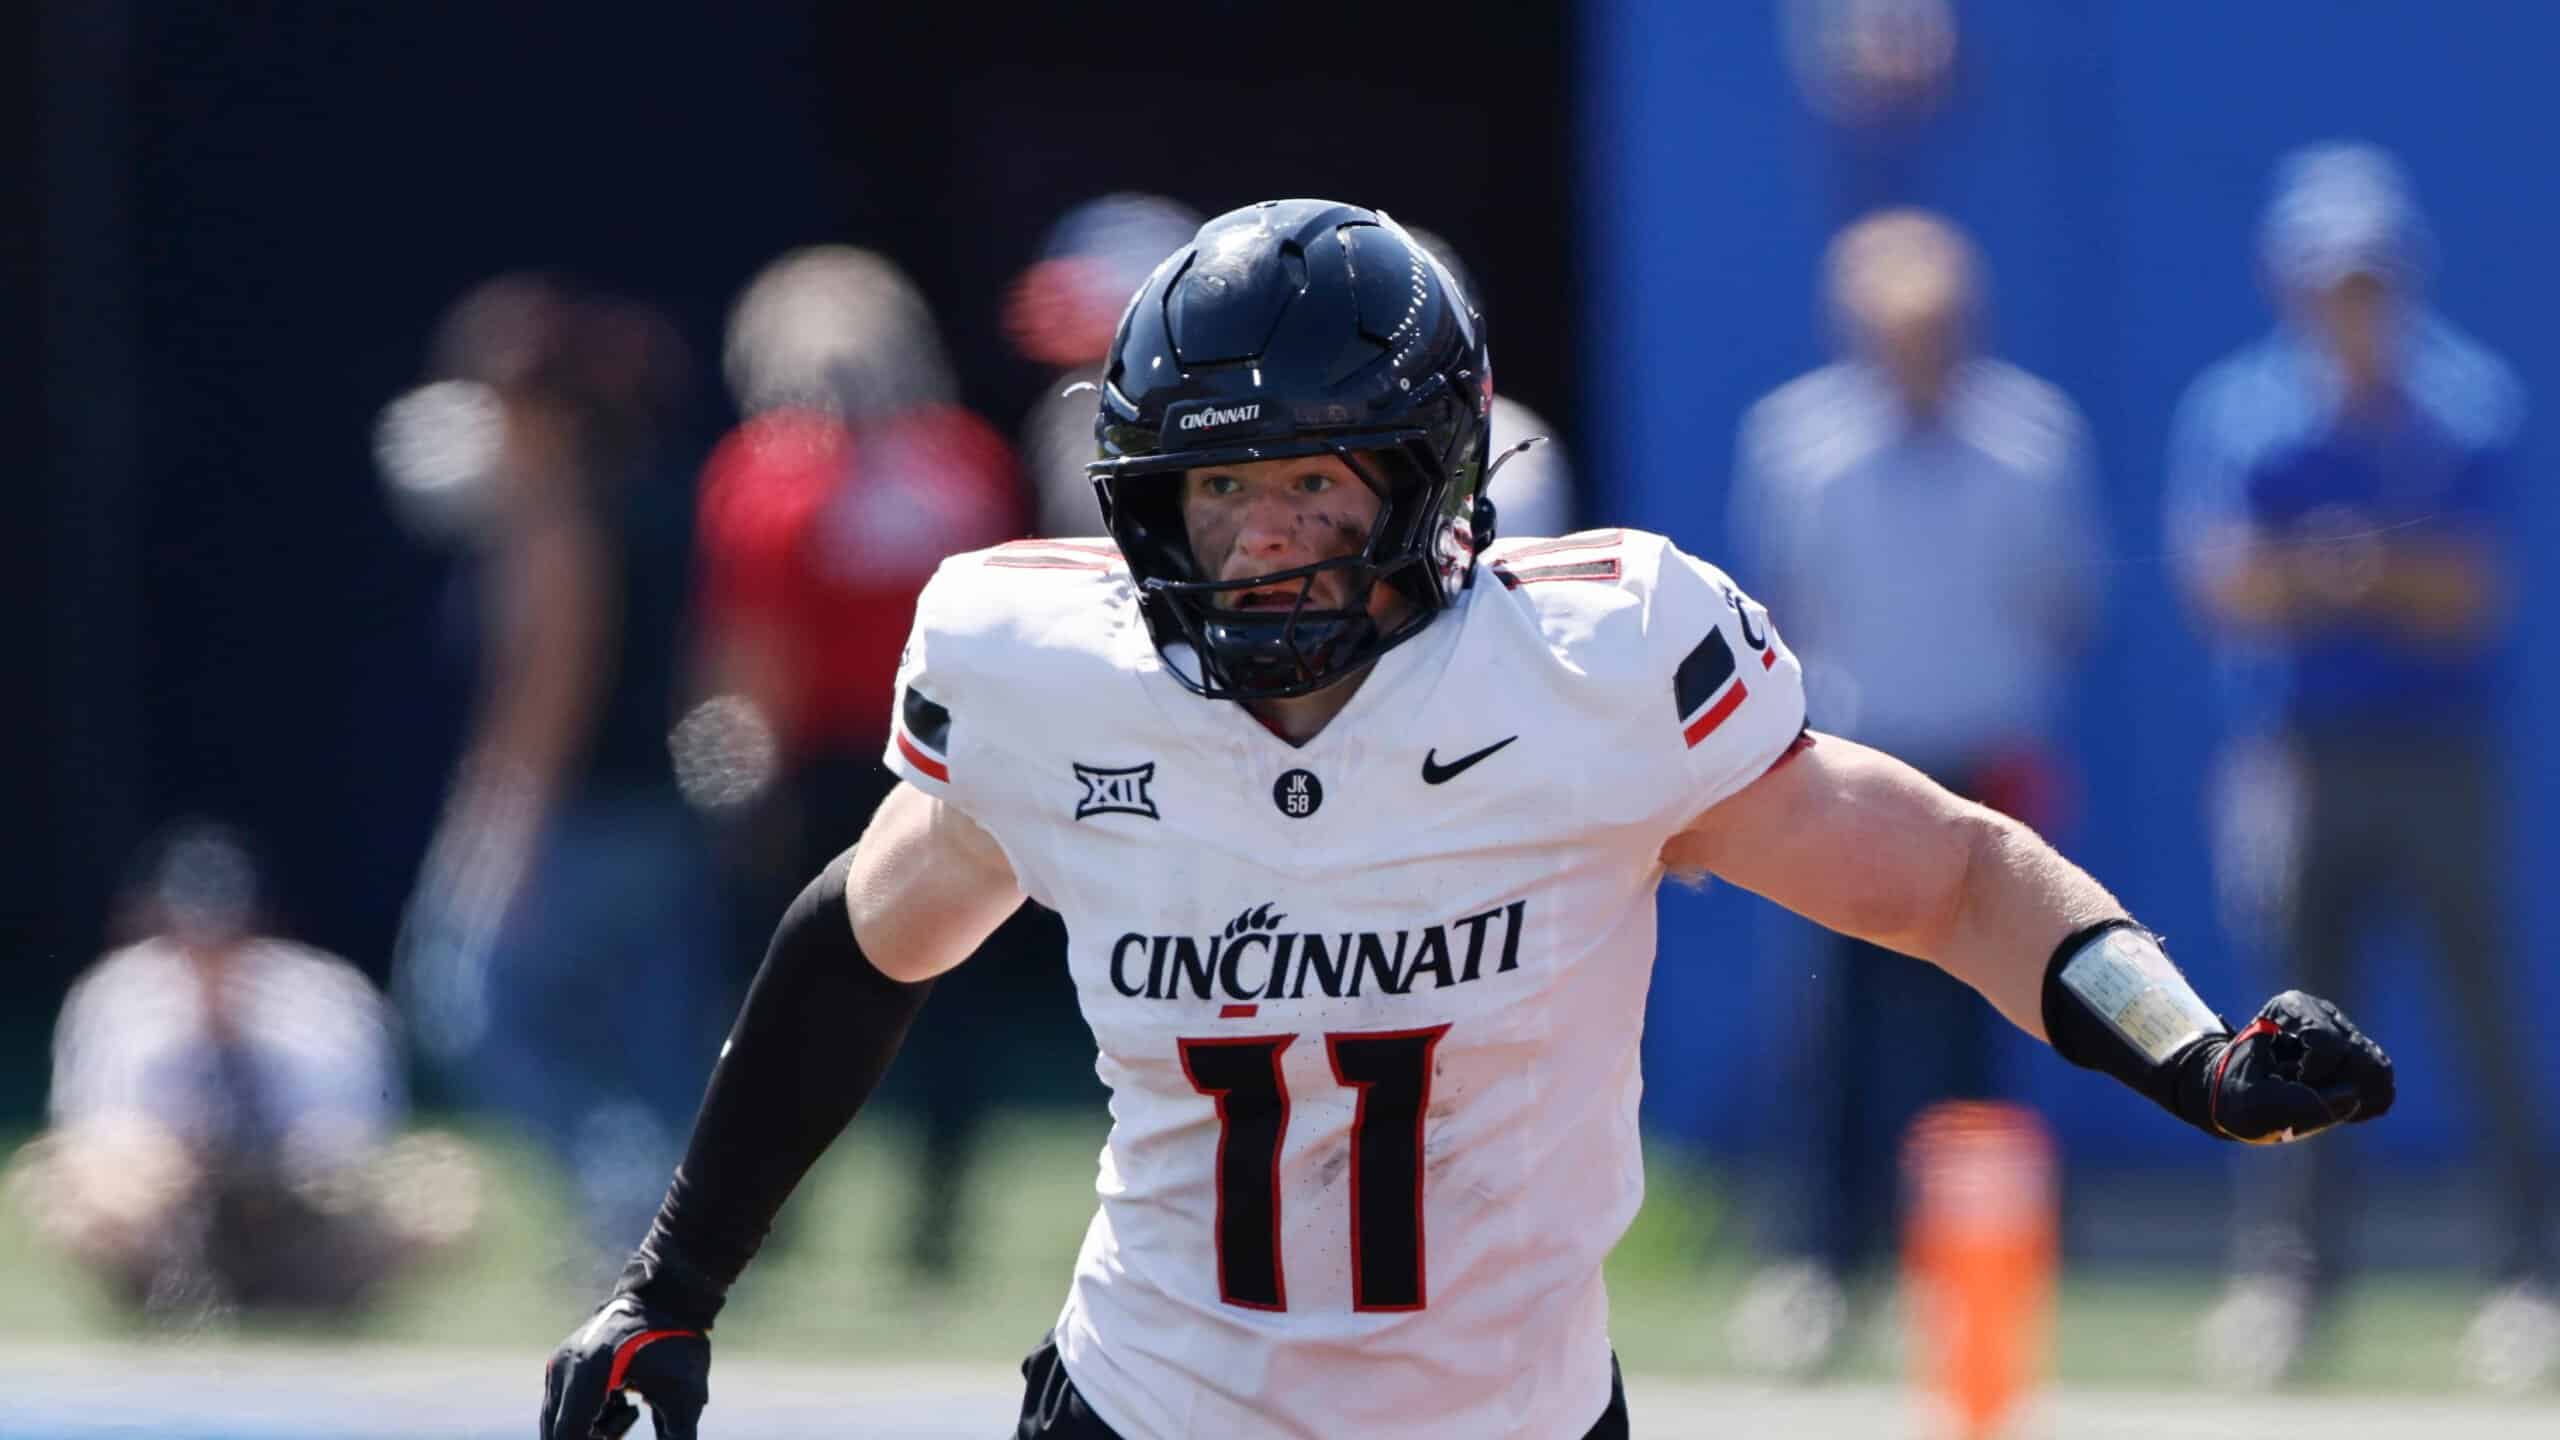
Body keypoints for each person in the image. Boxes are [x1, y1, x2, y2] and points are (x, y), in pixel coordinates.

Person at [540, 200, 2394, 1440]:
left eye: (1312, 482)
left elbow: (1949, 875)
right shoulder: (1047, 675)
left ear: (1424, 482)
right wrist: (670, 1280)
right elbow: (862, 944)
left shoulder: (1596, 674)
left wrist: (2193, 1056)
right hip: (1152, 1407)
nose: (1259, 534)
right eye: (1217, 489)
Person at [2166, 143, 2557, 1391]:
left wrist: (2336, 572)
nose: (2351, 302)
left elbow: (2468, 597)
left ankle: (2527, 1280)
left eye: (2370, 279)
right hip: (2297, 760)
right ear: (2291, 283)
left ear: (2402, 280)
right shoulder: (2239, 411)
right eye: (2331, 279)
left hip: (2437, 758)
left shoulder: (2467, 401)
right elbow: (2225, 585)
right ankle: (2289, 1286)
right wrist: (2377, 571)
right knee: (2284, 1037)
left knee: (2481, 1025)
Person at [1722, 208, 2105, 1375]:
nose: (1917, 346)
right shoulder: (1798, 443)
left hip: (1981, 772)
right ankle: (1820, 1272)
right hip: (1845, 770)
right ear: (1856, 328)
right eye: (1895, 326)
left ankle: (1970, 1281)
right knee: (1831, 1042)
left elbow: (2064, 605)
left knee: (1981, 1036)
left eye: (1936, 325)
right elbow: (1776, 609)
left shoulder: (2033, 441)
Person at [695, 245, 1047, 1282]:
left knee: (796, 997)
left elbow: (750, 652)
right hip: (948, 760)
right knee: (940, 1001)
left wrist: (738, 775)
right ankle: (927, 1222)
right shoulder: (967, 461)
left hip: (827, 767)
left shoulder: (769, 471)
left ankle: (773, 1211)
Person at [390, 276, 726, 1276]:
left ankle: (621, 1201)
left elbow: (548, 686)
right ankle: (656, 1226)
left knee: (468, 1000)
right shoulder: (633, 491)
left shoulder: (560, 518)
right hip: (658, 812)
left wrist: (495, 834)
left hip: (586, 817)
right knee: (641, 1040)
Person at [6, 822, 474, 1323]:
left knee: (442, 1191)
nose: (209, 949)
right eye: (189, 929)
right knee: (58, 1184)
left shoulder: (325, 997)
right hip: (173, 1217)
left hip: (300, 1213)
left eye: (226, 928)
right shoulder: (118, 997)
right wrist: (172, 1157)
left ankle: (317, 1299)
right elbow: (91, 1138)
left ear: (260, 923)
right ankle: (166, 1296)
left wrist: (284, 1162)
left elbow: (362, 1141)